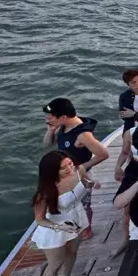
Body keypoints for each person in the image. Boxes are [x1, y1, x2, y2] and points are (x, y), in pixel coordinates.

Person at [31, 151, 94, 276]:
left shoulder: (79, 170)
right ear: (52, 171)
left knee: (72, 251)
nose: (69, 169)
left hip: (77, 218)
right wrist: (59, 227)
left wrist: (88, 183)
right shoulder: (45, 192)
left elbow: (83, 180)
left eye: (70, 164)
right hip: (54, 227)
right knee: (55, 263)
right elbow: (39, 219)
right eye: (63, 168)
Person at [43, 98, 109, 238]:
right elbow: (47, 144)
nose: (47, 118)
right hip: (65, 172)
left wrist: (81, 168)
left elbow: (103, 154)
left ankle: (87, 230)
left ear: (63, 117)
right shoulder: (63, 126)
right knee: (66, 204)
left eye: (51, 116)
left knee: (84, 205)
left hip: (81, 176)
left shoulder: (83, 135)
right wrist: (51, 130)